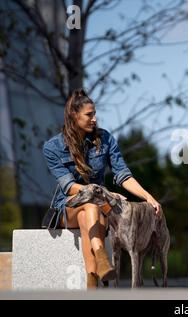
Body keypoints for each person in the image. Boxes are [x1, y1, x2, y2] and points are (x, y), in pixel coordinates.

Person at [43, 89, 163, 289]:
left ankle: (93, 279)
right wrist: (103, 193)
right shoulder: (52, 147)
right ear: (74, 115)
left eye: (95, 113)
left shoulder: (105, 139)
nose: (94, 119)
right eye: (89, 115)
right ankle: (101, 254)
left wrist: (149, 197)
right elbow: (69, 187)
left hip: (98, 208)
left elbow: (123, 175)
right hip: (68, 207)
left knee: (89, 213)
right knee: (90, 206)